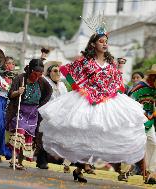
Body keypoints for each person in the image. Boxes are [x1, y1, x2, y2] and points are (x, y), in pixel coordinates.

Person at [38, 32, 147, 183]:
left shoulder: (110, 64)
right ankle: (81, 166)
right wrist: (83, 88)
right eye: (101, 41)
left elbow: (117, 82)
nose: (104, 43)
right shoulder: (86, 61)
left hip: (107, 101)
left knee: (101, 135)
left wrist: (119, 67)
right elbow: (71, 71)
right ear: (93, 44)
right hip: (87, 99)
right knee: (84, 134)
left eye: (106, 41)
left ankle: (80, 169)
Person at [6, 59, 52, 169]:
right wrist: (18, 92)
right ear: (30, 70)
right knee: (19, 132)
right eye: (36, 73)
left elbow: (49, 91)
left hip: (33, 113)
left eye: (40, 74)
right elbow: (10, 94)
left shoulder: (42, 81)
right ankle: (13, 160)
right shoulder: (20, 78)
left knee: (28, 137)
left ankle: (20, 162)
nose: (38, 76)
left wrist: (41, 105)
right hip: (20, 110)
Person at [35, 63, 67, 170]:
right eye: (55, 71)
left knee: (55, 138)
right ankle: (41, 160)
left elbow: (66, 99)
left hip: (58, 116)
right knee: (43, 137)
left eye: (59, 71)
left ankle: (58, 160)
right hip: (46, 113)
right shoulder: (45, 81)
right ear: (49, 72)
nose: (58, 73)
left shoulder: (62, 85)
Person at [129, 65, 156, 184]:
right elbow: (129, 101)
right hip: (137, 120)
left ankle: (151, 172)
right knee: (135, 146)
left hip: (149, 122)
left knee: (153, 143)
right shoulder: (140, 88)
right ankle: (128, 171)